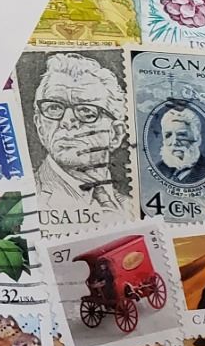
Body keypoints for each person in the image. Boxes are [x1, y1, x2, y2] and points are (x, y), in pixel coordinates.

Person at [29, 53, 131, 227]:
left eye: (86, 111)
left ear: (115, 134)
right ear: (40, 125)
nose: (67, 121)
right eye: (54, 108)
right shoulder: (27, 200)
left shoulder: (129, 206)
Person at [153, 103, 205, 184]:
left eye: (181, 135)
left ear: (197, 139)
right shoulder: (159, 169)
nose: (174, 142)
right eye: (168, 135)